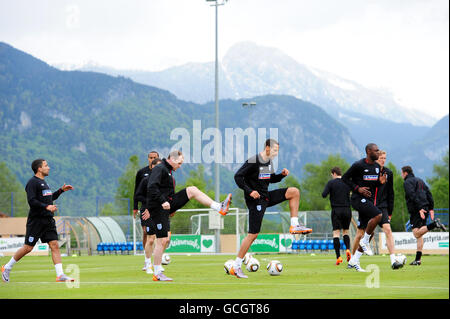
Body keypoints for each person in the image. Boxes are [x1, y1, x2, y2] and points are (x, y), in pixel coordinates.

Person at [144, 150, 232, 281]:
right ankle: (157, 273)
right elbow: (151, 188)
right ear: (172, 159)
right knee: (161, 240)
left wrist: (171, 206)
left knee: (192, 190)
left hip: (168, 204)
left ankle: (219, 207)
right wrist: (163, 202)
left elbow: (165, 191)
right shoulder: (160, 168)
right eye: (179, 163)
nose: (180, 165)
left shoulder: (168, 171)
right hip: (158, 207)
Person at [230, 139, 312, 279]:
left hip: (266, 197)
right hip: (256, 200)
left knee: (294, 192)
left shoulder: (267, 162)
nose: (276, 153)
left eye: (277, 151)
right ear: (267, 148)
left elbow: (269, 179)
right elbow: (238, 176)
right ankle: (236, 266)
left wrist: (281, 175)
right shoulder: (254, 160)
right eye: (274, 150)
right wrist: (250, 191)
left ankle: (294, 225)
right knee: (253, 235)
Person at [1, 159, 74, 283]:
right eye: (46, 165)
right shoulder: (32, 182)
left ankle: (60, 275)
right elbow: (32, 201)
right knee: (28, 248)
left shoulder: (44, 183)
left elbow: (49, 198)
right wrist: (47, 207)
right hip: (36, 221)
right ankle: (7, 267)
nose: (49, 167)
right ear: (39, 168)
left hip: (48, 220)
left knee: (54, 245)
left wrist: (61, 191)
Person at [351, 150, 403, 269]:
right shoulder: (368, 171)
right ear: (375, 158)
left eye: (385, 158)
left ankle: (393, 261)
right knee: (362, 234)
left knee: (388, 230)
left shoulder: (388, 173)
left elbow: (391, 193)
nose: (383, 160)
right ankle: (353, 259)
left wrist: (390, 211)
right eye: (381, 158)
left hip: (382, 206)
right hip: (368, 205)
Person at [342, 143, 386, 272]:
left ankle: (354, 261)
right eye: (376, 150)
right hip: (357, 199)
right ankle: (364, 242)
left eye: (379, 150)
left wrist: (380, 182)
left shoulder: (377, 167)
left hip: (369, 201)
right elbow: (345, 178)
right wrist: (358, 189)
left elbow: (374, 184)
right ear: (368, 151)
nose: (378, 153)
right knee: (378, 215)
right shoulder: (358, 165)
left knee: (369, 231)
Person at [401, 165, 446, 265]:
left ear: (405, 173)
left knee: (416, 233)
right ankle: (418, 260)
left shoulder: (407, 182)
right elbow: (429, 194)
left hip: (417, 209)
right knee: (419, 235)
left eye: (401, 173)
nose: (401, 175)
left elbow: (411, 195)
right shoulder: (420, 180)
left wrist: (419, 208)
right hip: (424, 207)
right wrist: (431, 208)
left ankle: (434, 225)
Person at [134, 157, 162, 274]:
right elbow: (137, 195)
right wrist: (147, 203)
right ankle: (148, 263)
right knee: (150, 239)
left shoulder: (164, 181)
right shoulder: (145, 180)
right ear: (152, 167)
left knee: (163, 239)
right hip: (147, 211)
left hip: (160, 211)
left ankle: (158, 263)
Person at [322, 166, 352, 265]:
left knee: (336, 234)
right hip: (347, 209)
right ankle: (348, 249)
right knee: (346, 232)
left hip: (336, 210)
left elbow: (324, 194)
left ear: (334, 173)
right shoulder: (347, 182)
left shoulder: (331, 183)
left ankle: (338, 257)